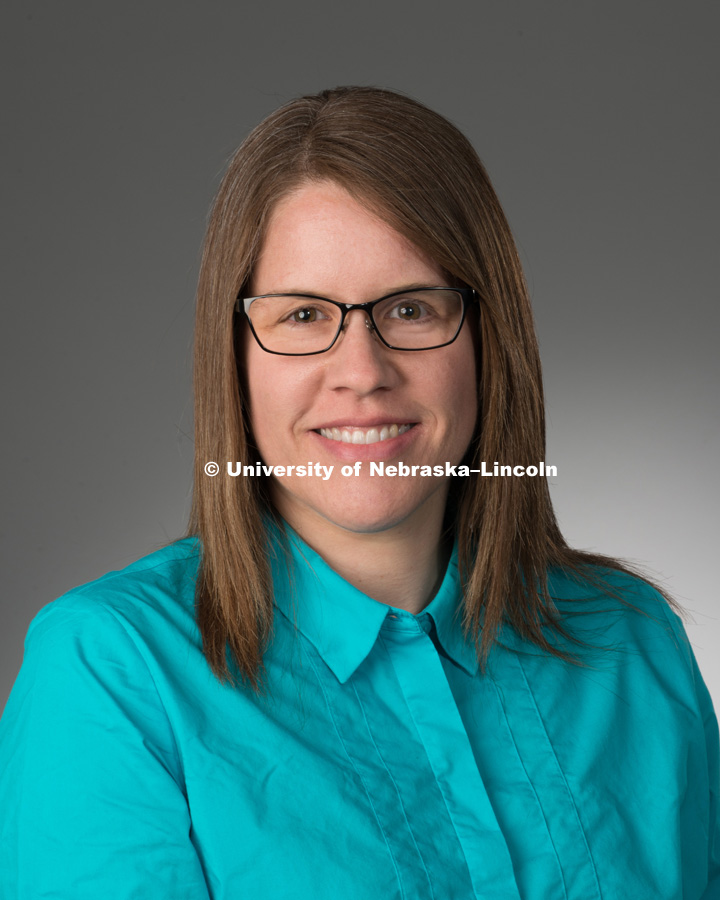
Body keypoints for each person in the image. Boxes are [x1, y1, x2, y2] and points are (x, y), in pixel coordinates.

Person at [0, 86, 718, 899]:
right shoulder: (111, 675)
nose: (363, 372)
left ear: (489, 337)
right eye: (305, 315)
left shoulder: (634, 641)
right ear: (233, 357)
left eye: (410, 308)